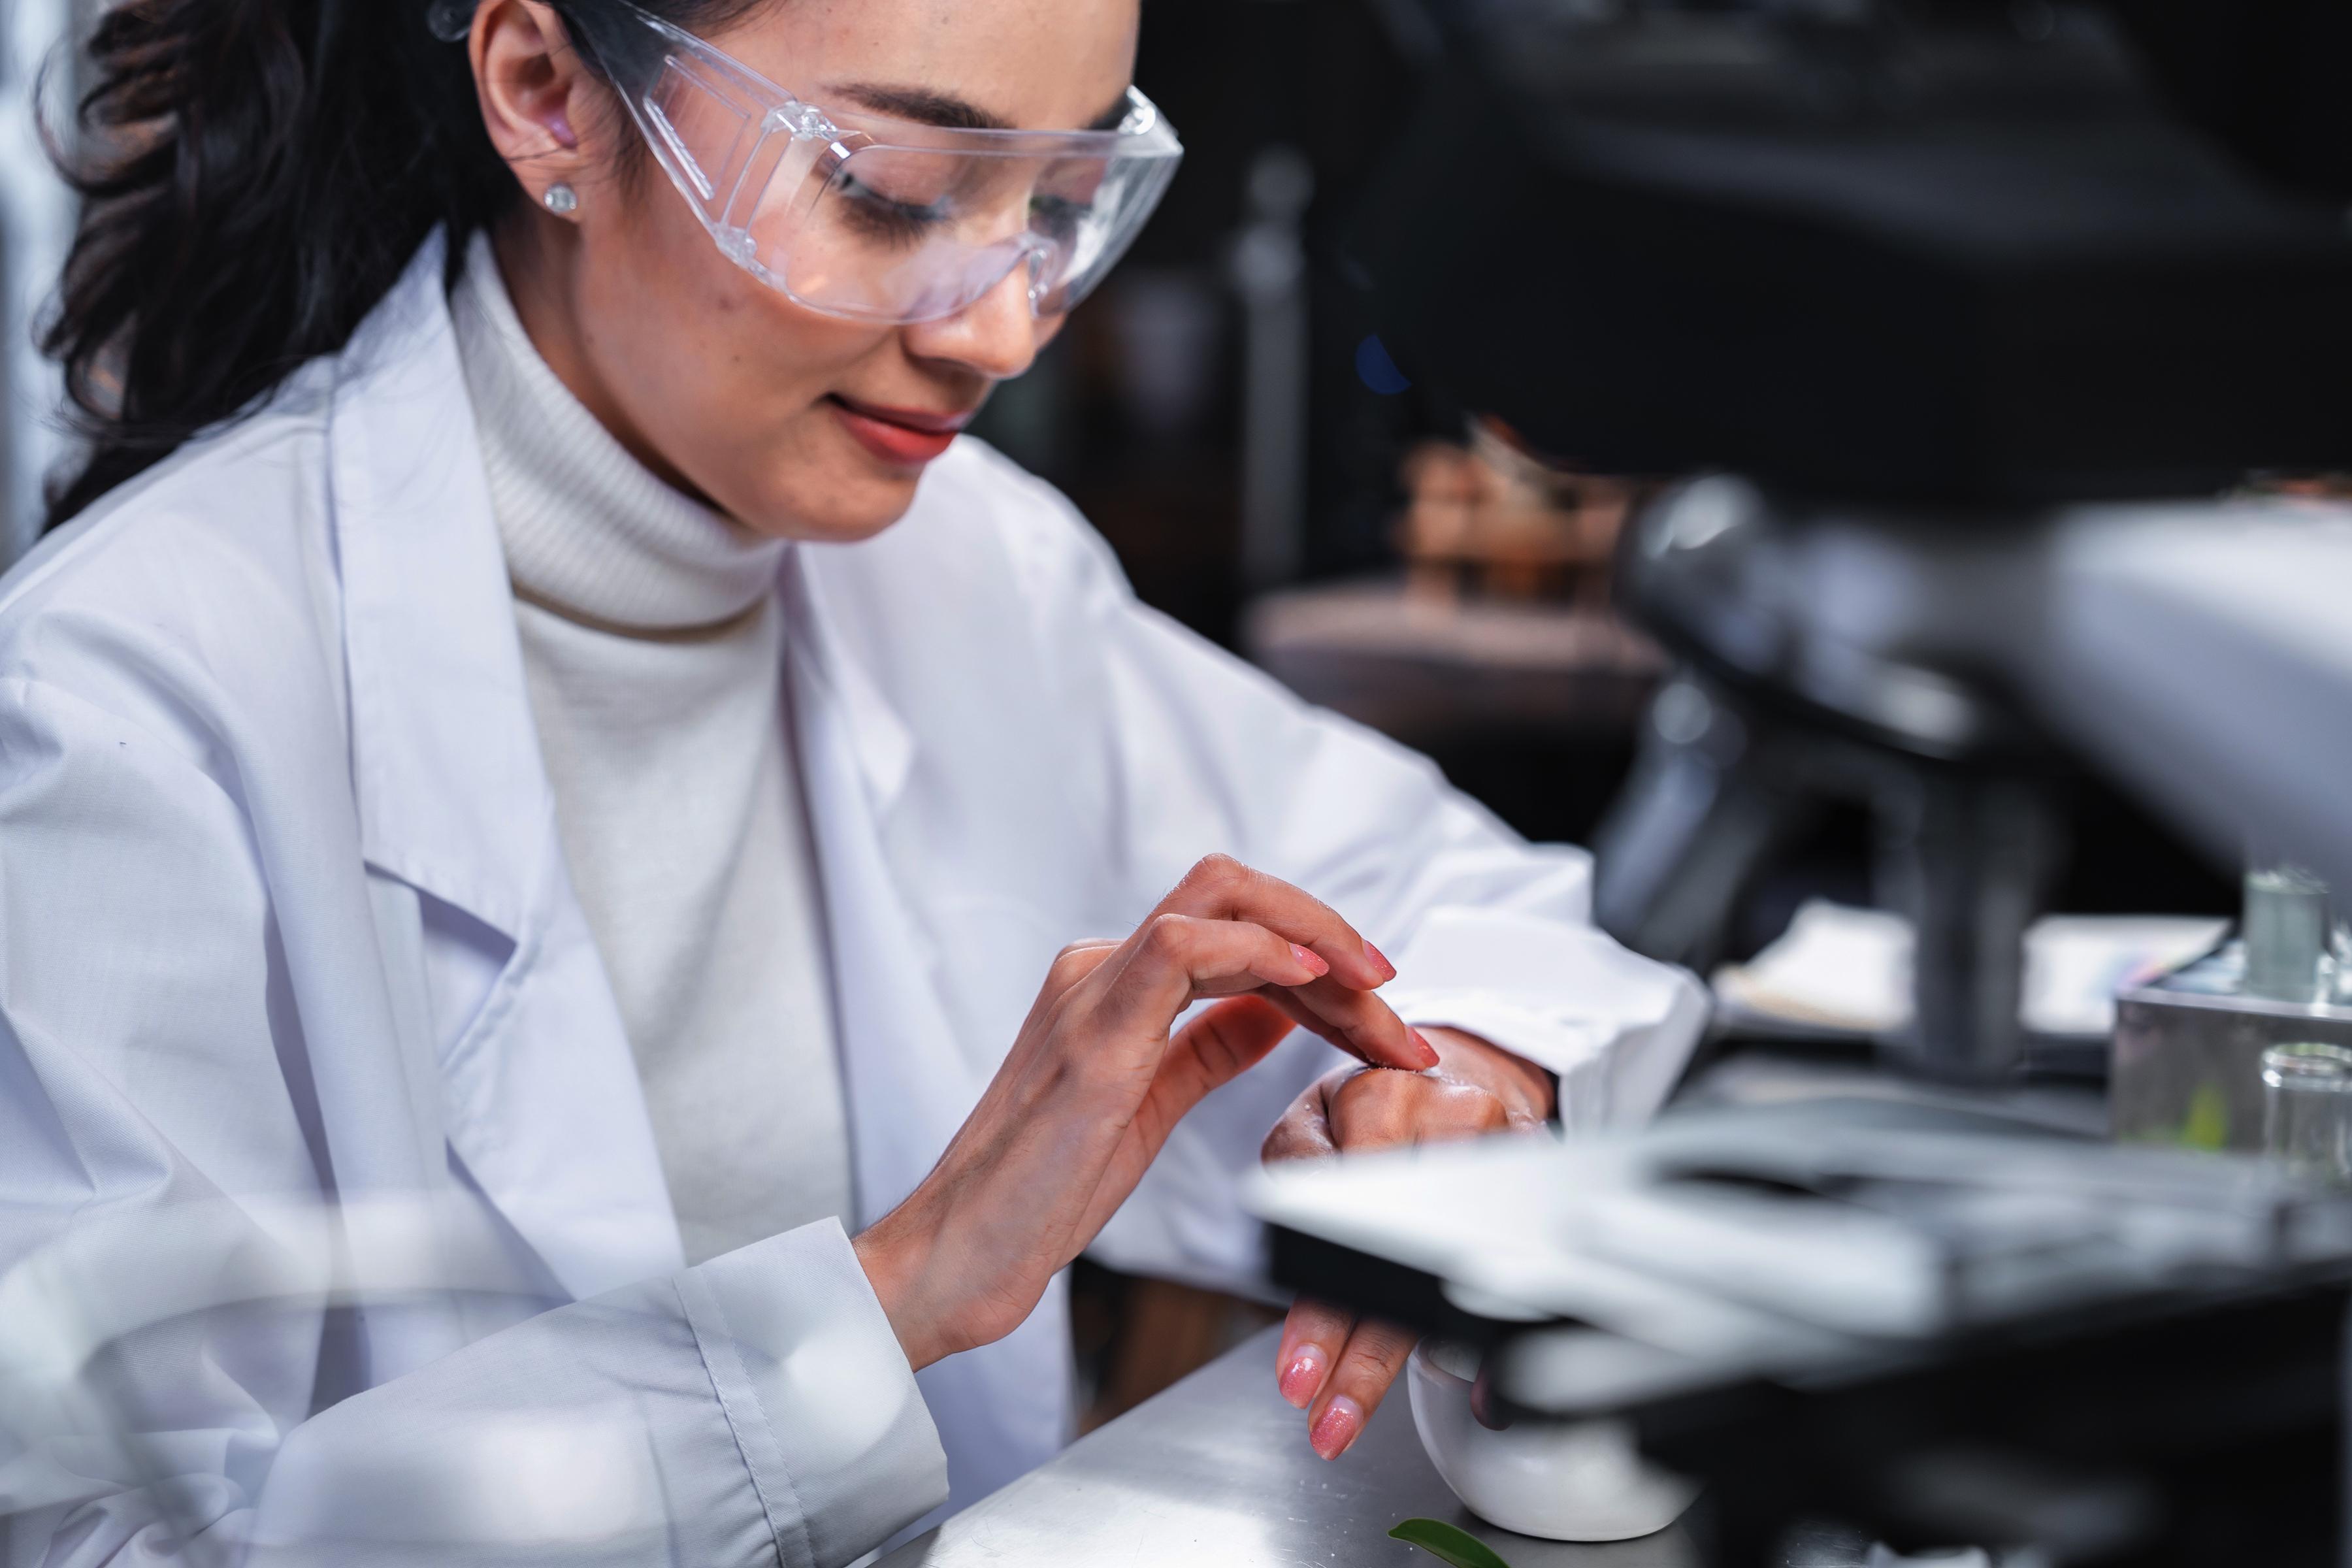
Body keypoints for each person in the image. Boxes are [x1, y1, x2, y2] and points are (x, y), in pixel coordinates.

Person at [0, 0, 1705, 1561]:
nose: (1009, 326)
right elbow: (90, 1537)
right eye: (893, 192)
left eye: (1060, 198)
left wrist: (1447, 1082)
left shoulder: (973, 570)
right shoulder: (125, 703)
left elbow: (1483, 906)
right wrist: (888, 1301)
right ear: (547, 100)